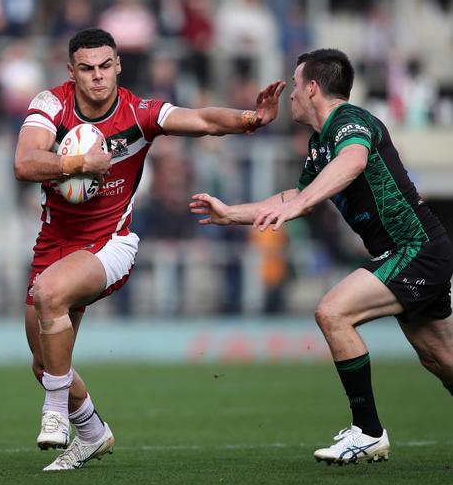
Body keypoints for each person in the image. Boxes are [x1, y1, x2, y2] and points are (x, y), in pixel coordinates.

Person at [14, 28, 285, 471]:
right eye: (86, 69)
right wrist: (79, 163)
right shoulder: (50, 104)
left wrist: (248, 119)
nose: (97, 77)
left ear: (118, 65)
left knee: (49, 296)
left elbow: (201, 121)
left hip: (110, 244)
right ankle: (93, 433)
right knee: (44, 365)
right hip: (54, 243)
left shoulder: (140, 112)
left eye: (105, 66)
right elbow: (24, 163)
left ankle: (55, 414)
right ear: (71, 71)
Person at [190, 48, 453, 465]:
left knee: (333, 312)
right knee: (441, 359)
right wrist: (231, 214)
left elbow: (352, 162)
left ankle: (367, 431)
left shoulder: (350, 123)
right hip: (413, 251)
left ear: (313, 88)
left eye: (295, 86)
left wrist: (295, 208)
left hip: (416, 249)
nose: (291, 96)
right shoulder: (320, 142)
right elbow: (298, 197)